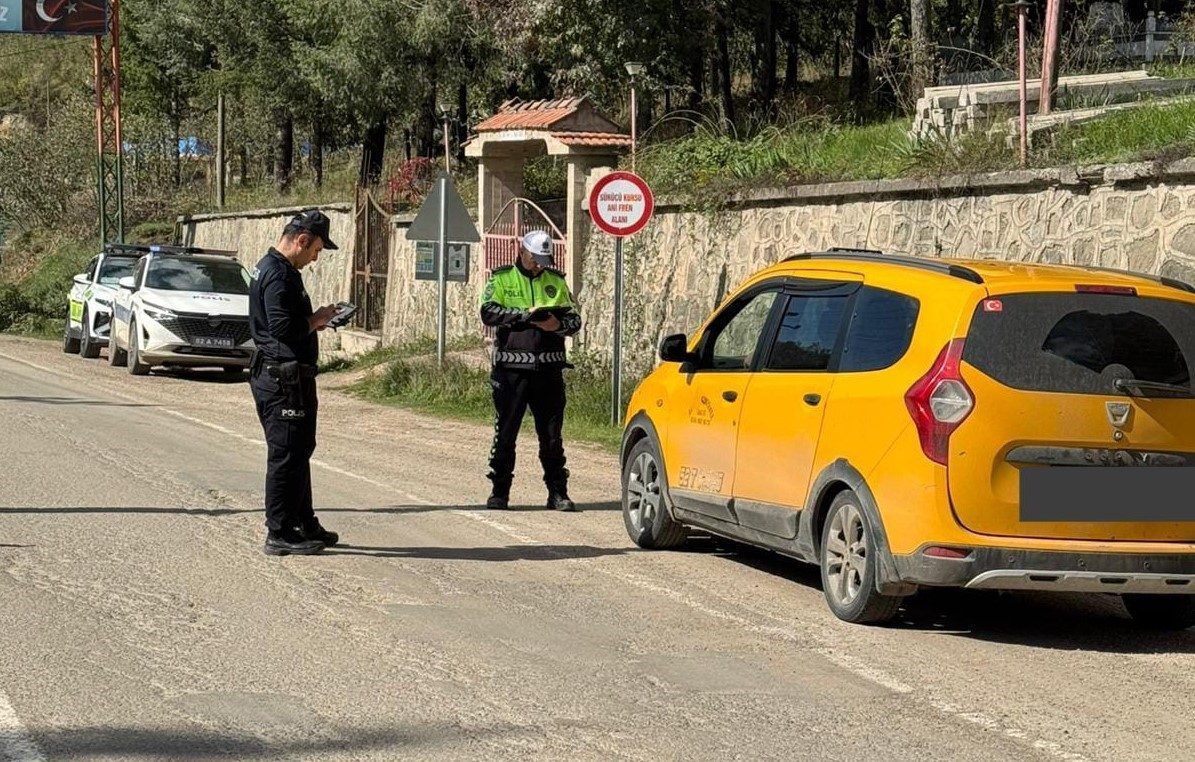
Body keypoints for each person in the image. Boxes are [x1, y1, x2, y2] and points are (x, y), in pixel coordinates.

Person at [248, 209, 342, 556]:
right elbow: (282, 328)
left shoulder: (277, 269)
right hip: (281, 379)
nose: (315, 258)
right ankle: (280, 531)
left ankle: (304, 521)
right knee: (286, 454)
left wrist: (316, 320)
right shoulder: (278, 275)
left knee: (300, 450)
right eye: (315, 250)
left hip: (288, 376)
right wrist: (317, 319)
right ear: (302, 240)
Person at [480, 230, 583, 511]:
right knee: (506, 434)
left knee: (552, 438)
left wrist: (557, 325)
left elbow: (575, 320)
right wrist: (523, 316)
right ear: (522, 251)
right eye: (535, 258)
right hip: (511, 372)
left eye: (543, 260)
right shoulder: (502, 279)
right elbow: (488, 312)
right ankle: (499, 492)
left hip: (549, 371)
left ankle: (558, 493)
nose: (539, 265)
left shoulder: (556, 281)